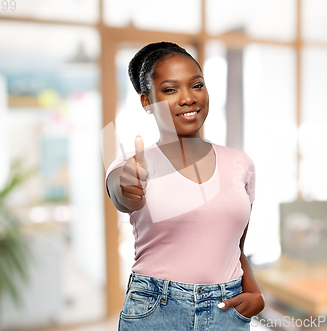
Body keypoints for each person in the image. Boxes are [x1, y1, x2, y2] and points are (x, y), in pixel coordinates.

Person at [105, 41, 265, 330]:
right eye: (170, 89)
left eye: (197, 85)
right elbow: (121, 193)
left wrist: (254, 291)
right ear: (146, 102)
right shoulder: (131, 164)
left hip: (225, 310)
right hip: (156, 310)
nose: (188, 98)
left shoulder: (241, 163)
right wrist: (125, 186)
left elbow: (235, 246)